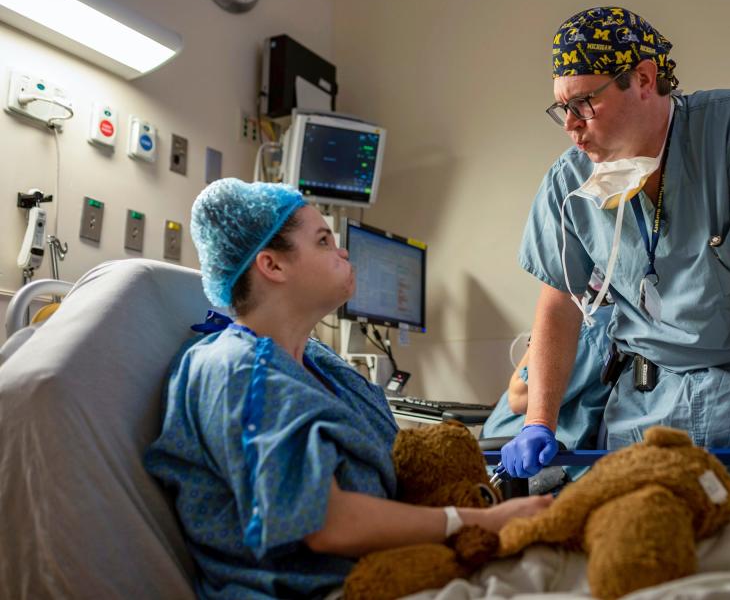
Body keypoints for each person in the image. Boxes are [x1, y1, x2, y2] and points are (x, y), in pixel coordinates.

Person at [144, 178, 551, 599]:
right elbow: (325, 524)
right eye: (323, 241)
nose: (342, 251)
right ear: (273, 266)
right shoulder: (234, 369)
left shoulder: (321, 363)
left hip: (412, 566)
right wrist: (479, 520)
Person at [501, 6, 730, 507]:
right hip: (646, 406)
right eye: (561, 108)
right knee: (641, 553)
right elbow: (558, 307)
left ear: (643, 78)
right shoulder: (568, 183)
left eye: (585, 103)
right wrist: (537, 423)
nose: (570, 125)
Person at [482, 276, 614, 481]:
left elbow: (519, 398)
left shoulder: (590, 325)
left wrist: (542, 334)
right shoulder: (602, 325)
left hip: (516, 467)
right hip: (508, 456)